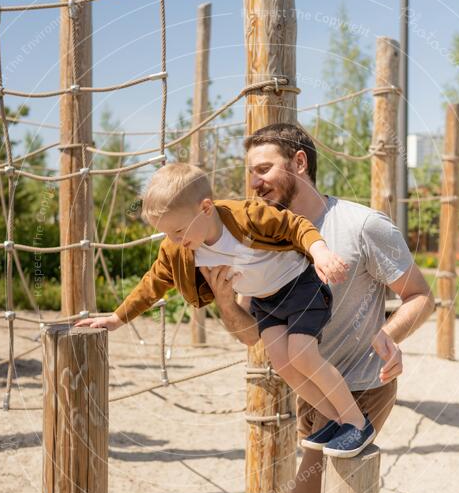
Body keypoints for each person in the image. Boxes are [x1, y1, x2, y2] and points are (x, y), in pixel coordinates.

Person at [198, 123, 435, 493]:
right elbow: (253, 337)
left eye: (265, 169)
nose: (254, 182)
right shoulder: (258, 240)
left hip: (363, 386)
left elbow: (421, 296)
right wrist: (225, 301)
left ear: (299, 164)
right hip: (312, 393)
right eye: (249, 172)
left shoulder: (360, 225)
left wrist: (389, 334)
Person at [76, 162, 381, 450]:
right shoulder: (179, 249)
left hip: (301, 286)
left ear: (206, 208)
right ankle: (337, 419)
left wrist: (321, 253)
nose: (174, 239)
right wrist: (117, 318)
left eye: (179, 231)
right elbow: (152, 283)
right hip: (266, 301)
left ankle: (357, 422)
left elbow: (295, 226)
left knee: (302, 353)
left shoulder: (246, 216)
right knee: (283, 363)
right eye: (168, 233)